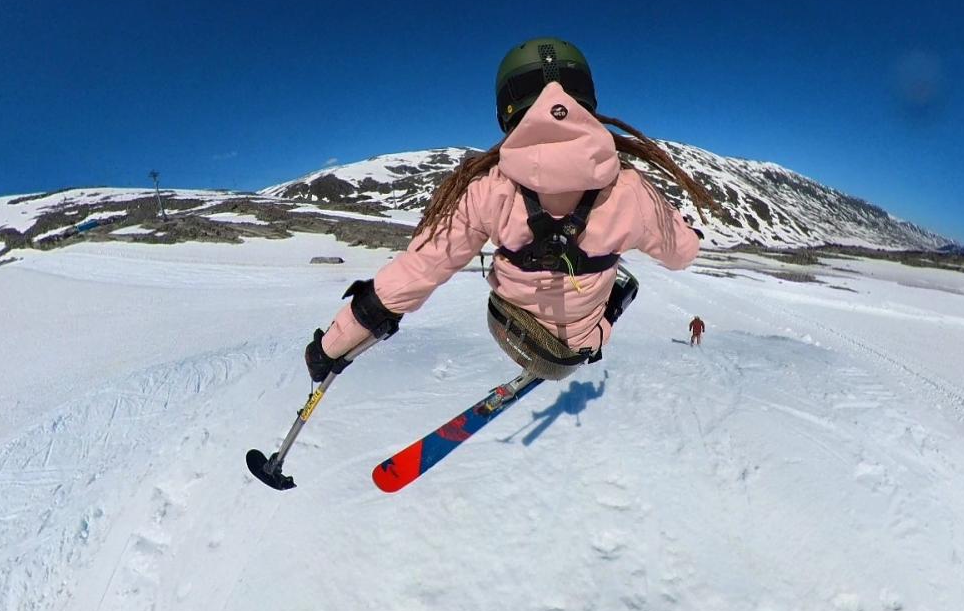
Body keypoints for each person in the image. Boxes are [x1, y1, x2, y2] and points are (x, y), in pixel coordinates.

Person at [303, 36, 720, 384]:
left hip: (507, 328)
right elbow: (680, 254)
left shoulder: (489, 188)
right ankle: (601, 326)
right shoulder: (633, 192)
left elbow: (417, 273)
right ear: (586, 100)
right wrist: (690, 238)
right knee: (617, 287)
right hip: (571, 352)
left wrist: (332, 346)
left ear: (507, 108)